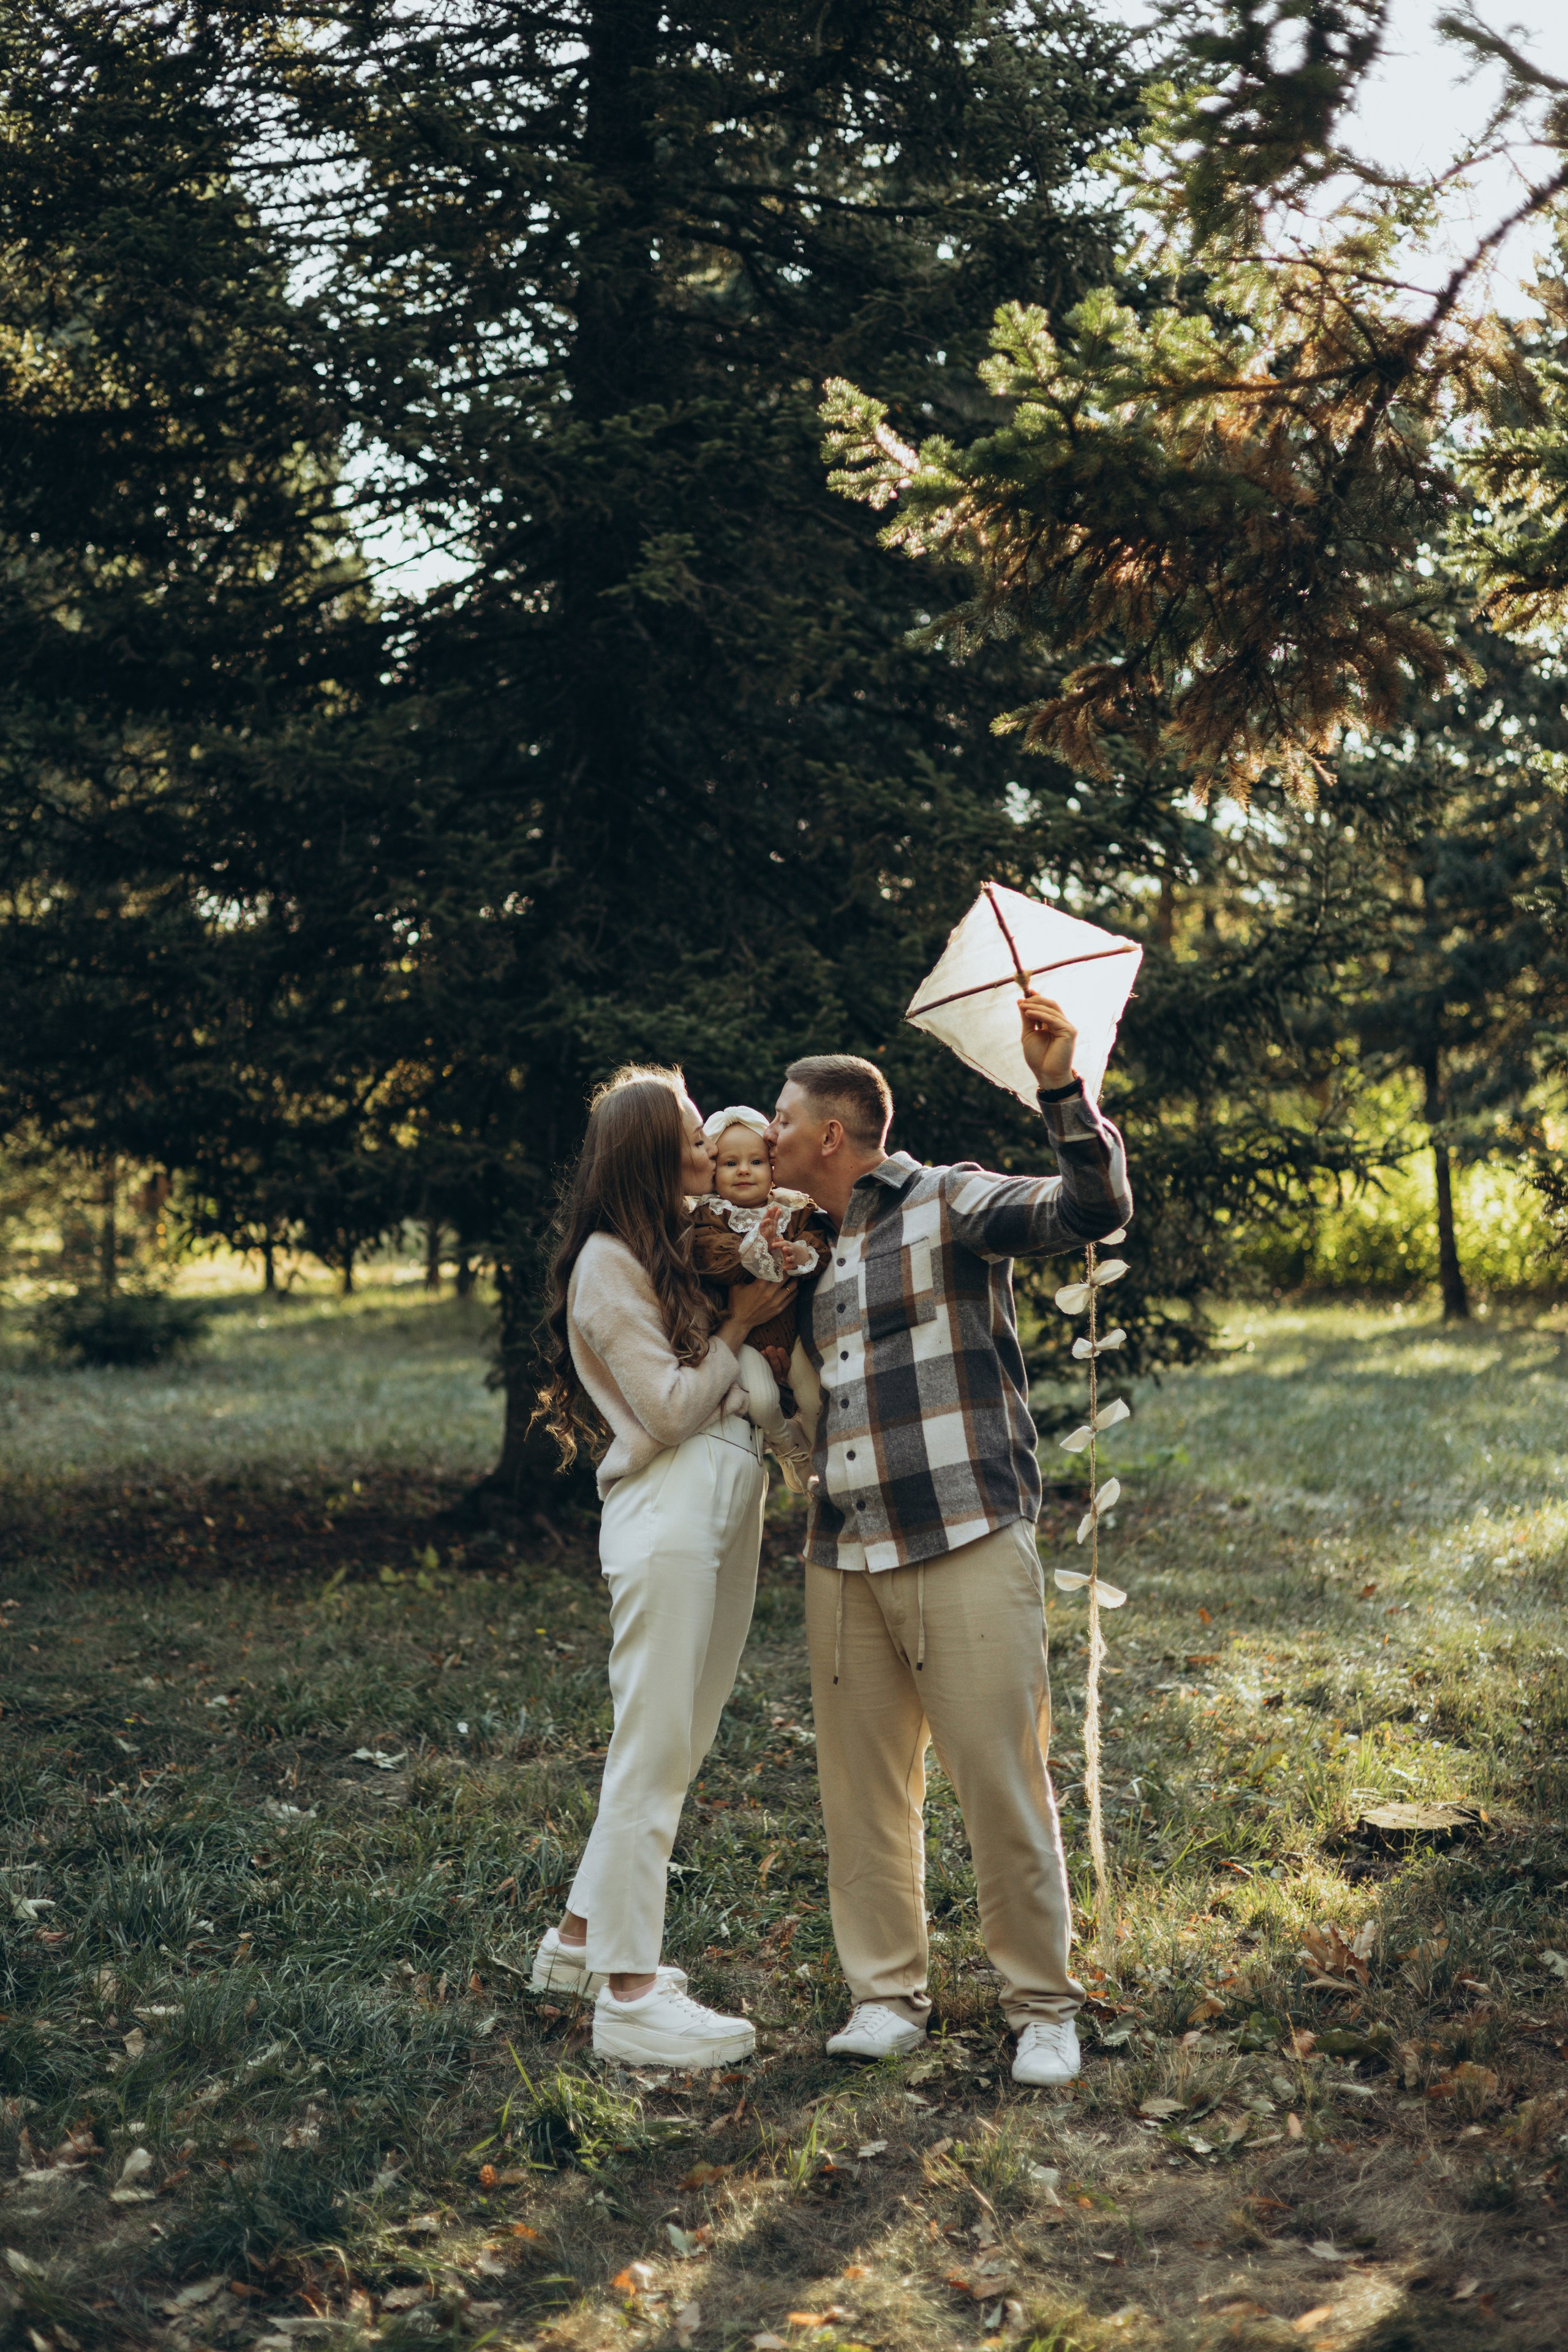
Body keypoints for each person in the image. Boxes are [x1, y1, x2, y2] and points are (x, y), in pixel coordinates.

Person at [765, 994, 1133, 2087]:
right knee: (862, 1793)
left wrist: (1060, 1088)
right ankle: (885, 1997)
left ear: (832, 1133)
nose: (769, 1135)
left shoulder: (948, 1199)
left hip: (963, 1533)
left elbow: (1089, 1207)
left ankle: (1043, 2007)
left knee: (1000, 1780)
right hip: (844, 1553)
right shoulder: (798, 1246)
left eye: (782, 1120)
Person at [529, 1064, 797, 2066]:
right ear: (649, 1153)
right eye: (691, 1136)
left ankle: (578, 1945)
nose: (710, 1147)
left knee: (678, 1740)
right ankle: (631, 1997)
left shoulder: (678, 1247)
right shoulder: (607, 1264)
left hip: (728, 1489)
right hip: (671, 1498)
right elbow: (673, 1409)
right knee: (653, 1747)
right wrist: (738, 1331)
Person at [688, 1104, 832, 1363]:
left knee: (815, 1380)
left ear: (772, 1168)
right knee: (758, 1386)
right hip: (744, 1343)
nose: (744, 1170)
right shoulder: (712, 1214)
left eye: (756, 1162)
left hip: (799, 1334)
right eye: (730, 1163)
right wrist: (755, 1245)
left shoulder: (792, 1208)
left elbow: (819, 1245)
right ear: (713, 1173)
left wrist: (798, 1253)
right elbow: (709, 1254)